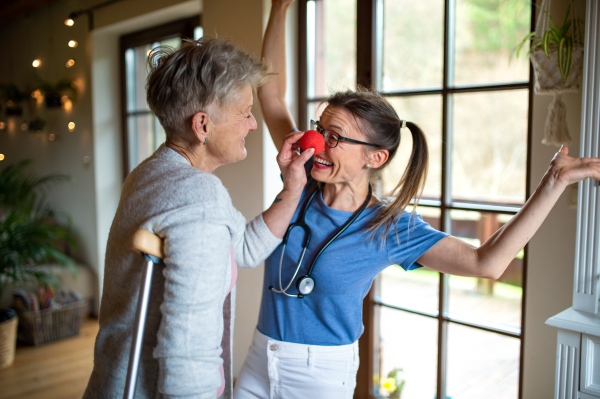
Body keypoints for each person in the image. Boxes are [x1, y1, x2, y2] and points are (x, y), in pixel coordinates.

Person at [233, 1, 600, 398]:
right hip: (259, 357)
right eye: (318, 128)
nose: (316, 142)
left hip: (320, 374)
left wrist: (553, 181)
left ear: (375, 158)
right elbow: (271, 95)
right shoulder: (299, 181)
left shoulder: (389, 227)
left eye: (334, 136)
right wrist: (281, 8)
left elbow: (487, 262)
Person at [83, 37, 314, 399]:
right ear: (203, 126)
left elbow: (245, 248)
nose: (254, 125)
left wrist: (293, 185)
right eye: (245, 113)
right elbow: (188, 350)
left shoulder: (154, 172)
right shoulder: (198, 199)